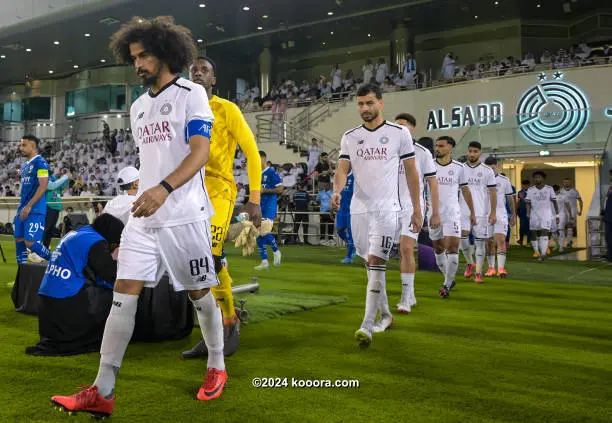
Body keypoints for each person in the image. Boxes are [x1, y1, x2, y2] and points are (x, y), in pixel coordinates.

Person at [51, 16, 226, 417]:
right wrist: (150, 193)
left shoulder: (191, 95)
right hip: (144, 217)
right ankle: (103, 389)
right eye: (133, 58)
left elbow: (199, 153)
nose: (138, 65)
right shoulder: (137, 107)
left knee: (200, 295)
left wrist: (163, 189)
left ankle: (216, 364)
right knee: (122, 297)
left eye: (144, 55)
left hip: (184, 215)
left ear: (166, 52)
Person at [181, 56, 263, 359]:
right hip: (188, 191)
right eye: (194, 71)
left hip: (219, 190)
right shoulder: (184, 111)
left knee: (209, 256)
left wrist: (254, 198)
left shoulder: (227, 110)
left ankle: (228, 322)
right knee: (197, 264)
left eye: (204, 71)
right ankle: (215, 331)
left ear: (213, 79)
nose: (198, 74)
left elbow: (252, 153)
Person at [331, 83, 422, 347]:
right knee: (369, 266)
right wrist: (337, 190)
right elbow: (342, 169)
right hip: (358, 210)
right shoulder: (350, 136)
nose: (365, 108)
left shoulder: (399, 133)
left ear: (381, 103)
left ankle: (367, 325)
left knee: (376, 262)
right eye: (360, 104)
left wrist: (416, 209)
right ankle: (385, 315)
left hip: (387, 209)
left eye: (370, 103)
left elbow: (413, 174)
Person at [25, 214, 124, 357]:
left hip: (47, 303)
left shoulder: (79, 233)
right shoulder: (95, 241)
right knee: (115, 298)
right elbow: (111, 275)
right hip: (66, 303)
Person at [376, 113, 439, 319]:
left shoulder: (422, 153)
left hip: (412, 208)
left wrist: (434, 211)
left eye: (402, 126)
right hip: (389, 208)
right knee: (387, 252)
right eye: (396, 126)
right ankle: (406, 293)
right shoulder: (387, 153)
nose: (398, 129)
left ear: (412, 129)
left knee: (406, 248)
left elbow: (432, 183)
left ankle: (406, 295)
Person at [429, 137, 476, 298]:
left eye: (441, 146)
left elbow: (465, 190)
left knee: (453, 248)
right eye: (436, 146)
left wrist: (472, 212)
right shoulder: (429, 166)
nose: (437, 148)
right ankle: (448, 279)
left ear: (451, 148)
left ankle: (446, 285)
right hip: (433, 214)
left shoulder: (459, 168)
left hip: (452, 214)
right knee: (438, 248)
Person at [461, 142, 496, 283]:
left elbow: (493, 192)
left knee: (480, 242)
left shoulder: (487, 171)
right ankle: (470, 262)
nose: (472, 154)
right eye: (470, 151)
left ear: (480, 153)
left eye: (475, 151)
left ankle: (478, 273)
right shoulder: (460, 168)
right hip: (462, 210)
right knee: (462, 237)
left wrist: (493, 212)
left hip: (481, 211)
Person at [14, 135, 52, 264]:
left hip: (35, 210)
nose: (21, 148)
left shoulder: (41, 163)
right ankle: (22, 275)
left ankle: (56, 261)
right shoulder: (25, 165)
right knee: (19, 240)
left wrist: (29, 206)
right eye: (20, 145)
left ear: (33, 146)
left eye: (24, 145)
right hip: (22, 209)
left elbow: (43, 185)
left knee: (30, 242)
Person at [483, 157, 516, 278]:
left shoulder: (504, 180)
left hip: (500, 214)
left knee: (501, 239)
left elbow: (510, 198)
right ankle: (491, 268)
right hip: (485, 215)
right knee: (489, 242)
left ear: (497, 167)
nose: (491, 171)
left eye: (493, 168)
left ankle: (501, 268)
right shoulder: (482, 179)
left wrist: (513, 215)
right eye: (488, 169)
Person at [255, 150, 283, 270]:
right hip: (259, 204)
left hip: (270, 205)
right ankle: (264, 261)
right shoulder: (257, 173)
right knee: (258, 232)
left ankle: (276, 251)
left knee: (264, 230)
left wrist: (265, 191)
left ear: (264, 159)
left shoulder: (271, 172)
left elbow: (280, 189)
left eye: (258, 159)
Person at [526, 171, 559, 261]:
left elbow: (555, 201)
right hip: (534, 215)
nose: (537, 179)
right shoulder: (530, 190)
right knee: (534, 233)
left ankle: (543, 254)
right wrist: (528, 213)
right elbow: (528, 203)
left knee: (544, 231)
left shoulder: (549, 189)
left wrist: (557, 214)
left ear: (543, 178)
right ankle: (536, 251)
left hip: (546, 214)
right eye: (535, 177)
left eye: (539, 177)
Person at [42, 170, 72, 249]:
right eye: (50, 173)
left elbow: (62, 186)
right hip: (49, 207)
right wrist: (65, 177)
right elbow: (53, 186)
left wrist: (67, 179)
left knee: (51, 229)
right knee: (47, 228)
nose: (52, 175)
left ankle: (45, 247)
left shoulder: (55, 181)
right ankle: (40, 247)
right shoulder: (45, 181)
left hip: (56, 208)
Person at [335, 172, 355, 263]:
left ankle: (349, 257)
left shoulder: (354, 176)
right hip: (341, 209)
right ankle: (354, 246)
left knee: (350, 234)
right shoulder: (340, 176)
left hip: (351, 209)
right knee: (339, 231)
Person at [559, 178, 583, 248]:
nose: (566, 183)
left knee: (570, 225)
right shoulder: (561, 191)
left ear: (570, 183)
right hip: (563, 210)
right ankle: (563, 241)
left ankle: (569, 241)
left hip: (572, 210)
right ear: (563, 183)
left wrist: (580, 210)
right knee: (563, 226)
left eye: (568, 182)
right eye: (565, 182)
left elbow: (580, 201)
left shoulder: (574, 191)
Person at [602, 170, 612, 261]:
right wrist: (603, 213)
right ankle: (609, 255)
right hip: (608, 217)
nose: (610, 177)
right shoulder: (610, 188)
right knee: (608, 237)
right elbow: (606, 201)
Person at [517, 180, 531, 245]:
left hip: (531, 211)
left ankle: (529, 241)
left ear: (529, 185)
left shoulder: (531, 191)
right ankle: (521, 240)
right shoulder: (520, 192)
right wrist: (517, 211)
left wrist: (523, 199)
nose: (525, 186)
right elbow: (519, 202)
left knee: (529, 226)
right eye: (523, 185)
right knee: (522, 226)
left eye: (526, 185)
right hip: (522, 211)